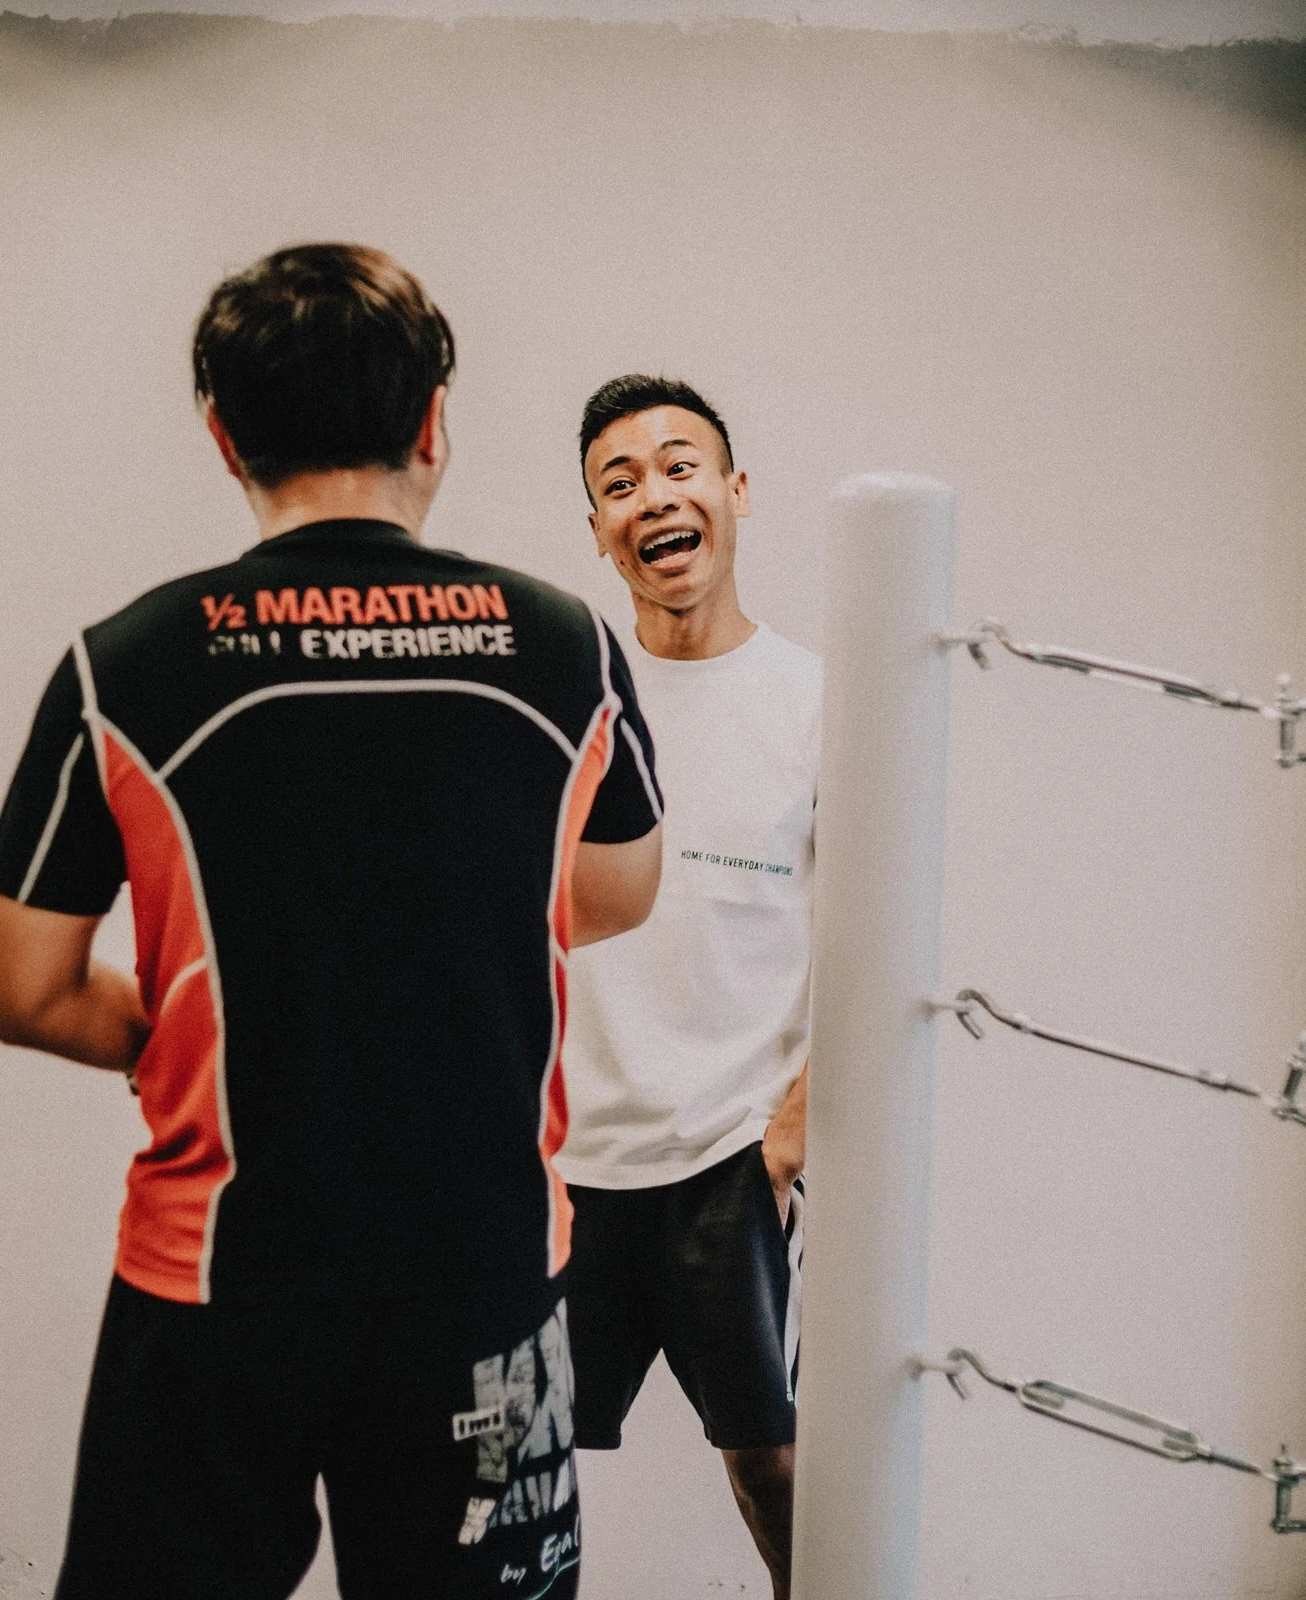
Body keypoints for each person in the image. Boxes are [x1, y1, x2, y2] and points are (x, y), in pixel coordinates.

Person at [0, 244, 664, 1600]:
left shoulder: (130, 660)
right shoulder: (563, 642)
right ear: (432, 423)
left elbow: (24, 986)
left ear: (224, 434)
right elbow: (620, 888)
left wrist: (183, 1023)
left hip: (220, 1282)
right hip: (487, 1280)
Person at [556, 376, 818, 1600]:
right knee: (513, 1457)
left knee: (773, 1462)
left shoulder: (819, 702)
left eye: (678, 465)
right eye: (619, 484)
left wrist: (790, 1133)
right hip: (571, 1164)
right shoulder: (571, 703)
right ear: (599, 529)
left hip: (731, 1154)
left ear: (735, 491)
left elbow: (873, 935)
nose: (653, 495)